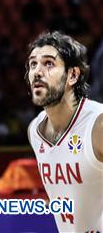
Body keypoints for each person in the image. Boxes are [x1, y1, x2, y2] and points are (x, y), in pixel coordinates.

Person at [26, 31, 102, 233]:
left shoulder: (98, 125)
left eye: (49, 63)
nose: (37, 72)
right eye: (33, 64)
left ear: (72, 75)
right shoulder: (35, 130)